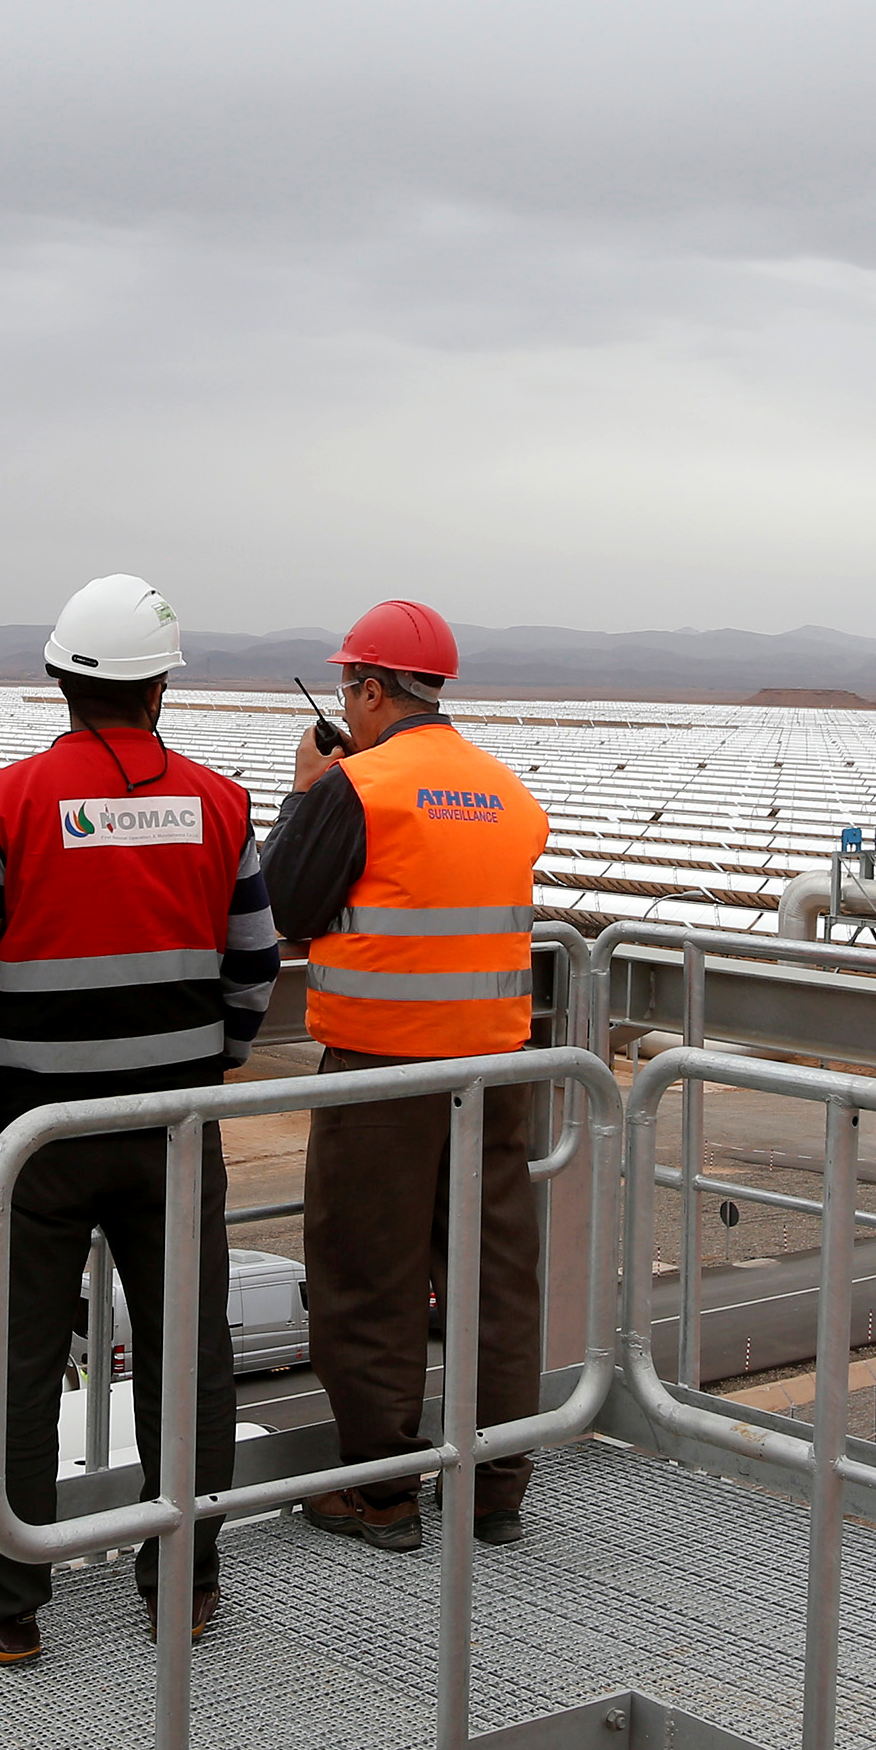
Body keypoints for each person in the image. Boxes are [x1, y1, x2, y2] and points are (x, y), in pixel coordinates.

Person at [0, 574, 277, 1666]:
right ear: (159, 687)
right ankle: (185, 1584)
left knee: (17, 1356)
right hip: (172, 1126)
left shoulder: (7, 802)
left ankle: (3, 1601)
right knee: (185, 1355)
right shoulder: (217, 804)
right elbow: (253, 967)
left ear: (61, 680)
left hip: (34, 1135)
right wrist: (209, 1062)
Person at [261, 599, 552, 1551]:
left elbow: (283, 905)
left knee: (364, 1278)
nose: (348, 701)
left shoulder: (361, 788)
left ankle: (380, 1492)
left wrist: (308, 792)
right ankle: (494, 1487)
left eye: (352, 686)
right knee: (491, 1278)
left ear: (373, 689)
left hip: (380, 1077)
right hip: (498, 1073)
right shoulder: (508, 791)